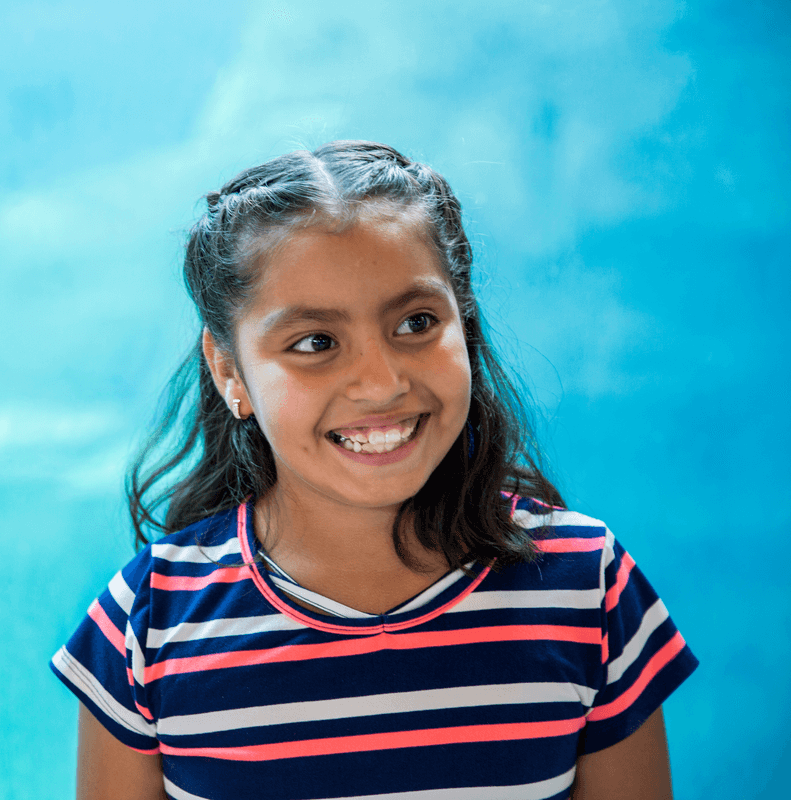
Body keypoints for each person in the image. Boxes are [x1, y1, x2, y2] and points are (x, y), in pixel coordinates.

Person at [50, 141, 697, 800]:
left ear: (463, 322)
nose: (381, 382)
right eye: (315, 343)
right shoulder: (146, 621)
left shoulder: (588, 584)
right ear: (229, 372)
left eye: (417, 323)